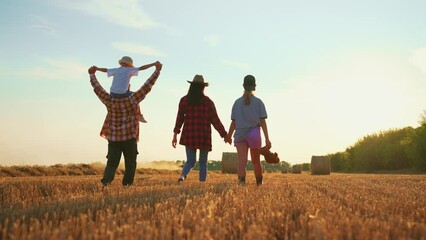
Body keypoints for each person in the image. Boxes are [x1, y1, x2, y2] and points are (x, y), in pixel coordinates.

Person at [88, 61, 162, 186]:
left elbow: (97, 88)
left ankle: (106, 181)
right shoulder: (132, 100)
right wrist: (157, 71)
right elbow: (147, 87)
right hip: (129, 137)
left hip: (113, 137)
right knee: (131, 163)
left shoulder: (109, 100)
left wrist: (92, 75)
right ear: (127, 88)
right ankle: (127, 185)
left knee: (112, 162)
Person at [172, 75, 231, 182]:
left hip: (189, 134)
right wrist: (225, 135)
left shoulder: (184, 100)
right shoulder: (208, 102)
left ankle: (182, 176)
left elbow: (179, 118)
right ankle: (202, 183)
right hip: (203, 134)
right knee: (203, 162)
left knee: (190, 160)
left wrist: (175, 134)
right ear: (203, 87)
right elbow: (215, 120)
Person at [226, 75, 271, 186]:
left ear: (243, 86)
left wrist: (228, 135)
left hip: (240, 133)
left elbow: (234, 122)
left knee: (242, 161)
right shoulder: (259, 102)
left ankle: (241, 183)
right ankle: (259, 183)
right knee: (256, 161)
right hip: (254, 133)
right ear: (254, 87)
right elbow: (263, 122)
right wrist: (267, 139)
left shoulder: (237, 103)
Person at [94, 56, 158, 123]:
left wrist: (97, 69)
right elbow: (142, 68)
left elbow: (105, 70)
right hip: (122, 94)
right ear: (129, 65)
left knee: (129, 86)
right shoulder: (129, 70)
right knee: (136, 98)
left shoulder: (116, 70)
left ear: (121, 63)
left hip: (112, 94)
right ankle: (139, 115)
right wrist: (153, 64)